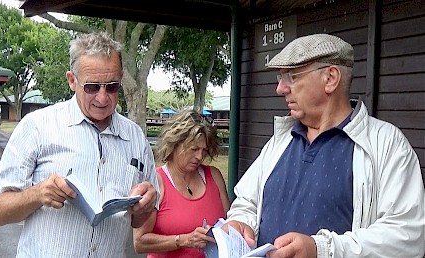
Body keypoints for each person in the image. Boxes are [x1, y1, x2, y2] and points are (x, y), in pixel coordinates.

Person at [225, 33, 425, 257]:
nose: (280, 88)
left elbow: (407, 236)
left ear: (330, 78)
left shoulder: (387, 144)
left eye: (291, 76)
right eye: (280, 77)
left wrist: (322, 249)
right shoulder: (281, 140)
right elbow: (246, 202)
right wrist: (241, 222)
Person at [0, 32, 159, 257]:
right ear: (72, 80)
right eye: (92, 87)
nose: (103, 98)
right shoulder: (38, 127)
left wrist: (145, 206)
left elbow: (140, 223)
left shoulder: (135, 137)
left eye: (112, 86)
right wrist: (38, 194)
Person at [133, 110, 230, 257]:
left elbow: (229, 224)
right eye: (194, 149)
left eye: (204, 151)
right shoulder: (157, 181)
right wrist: (183, 240)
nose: (199, 156)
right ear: (176, 145)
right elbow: (139, 242)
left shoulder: (214, 176)